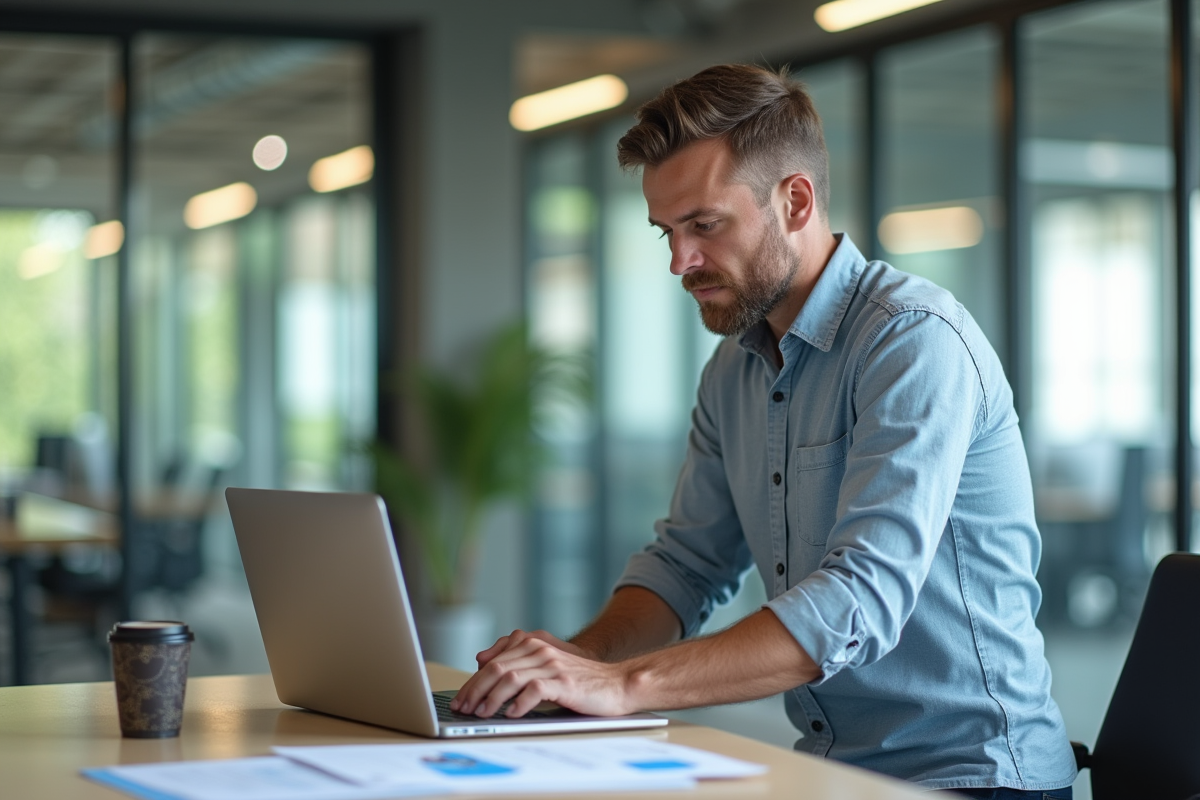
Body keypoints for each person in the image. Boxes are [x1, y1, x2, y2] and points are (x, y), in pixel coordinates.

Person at [450, 63, 1077, 798]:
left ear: (795, 201)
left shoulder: (912, 341)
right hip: (832, 771)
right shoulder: (732, 371)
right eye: (668, 233)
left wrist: (621, 686)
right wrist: (566, 671)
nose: (681, 261)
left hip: (976, 779)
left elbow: (859, 600)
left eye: (704, 226)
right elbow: (685, 567)